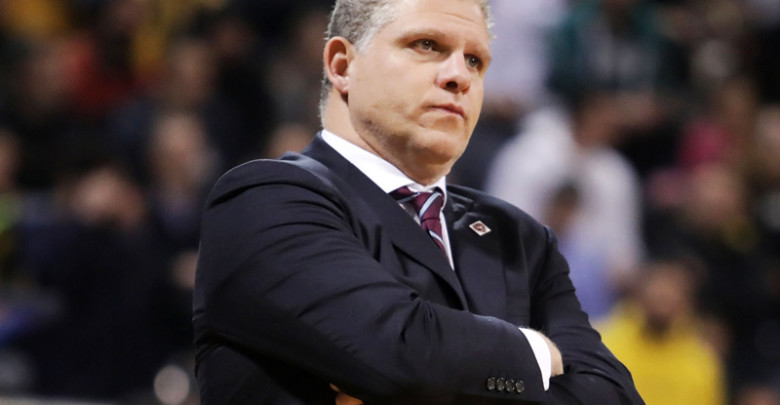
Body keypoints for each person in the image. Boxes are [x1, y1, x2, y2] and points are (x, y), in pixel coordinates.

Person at [193, 0, 644, 404]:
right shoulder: (264, 201)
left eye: (475, 60)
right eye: (427, 45)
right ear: (342, 65)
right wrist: (539, 354)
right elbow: (397, 352)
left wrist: (433, 377)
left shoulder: (521, 238)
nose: (459, 76)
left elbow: (612, 394)